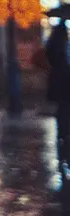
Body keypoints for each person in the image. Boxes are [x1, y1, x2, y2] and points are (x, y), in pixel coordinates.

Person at [45, 22, 70, 176]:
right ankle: (64, 154)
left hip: (62, 94)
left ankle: (63, 154)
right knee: (64, 123)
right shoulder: (61, 53)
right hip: (65, 91)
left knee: (62, 125)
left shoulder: (54, 50)